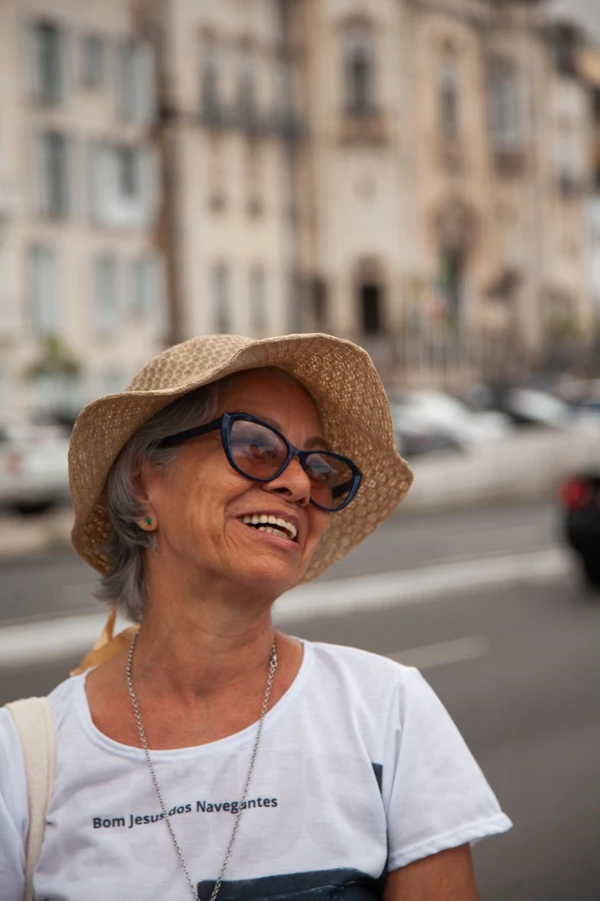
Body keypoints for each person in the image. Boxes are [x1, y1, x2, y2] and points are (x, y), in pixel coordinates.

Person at [0, 333, 511, 901]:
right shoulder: (23, 762)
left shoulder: (388, 712)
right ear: (145, 483)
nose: (299, 484)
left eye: (320, 469)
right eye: (256, 447)